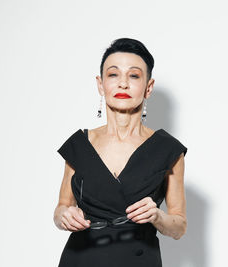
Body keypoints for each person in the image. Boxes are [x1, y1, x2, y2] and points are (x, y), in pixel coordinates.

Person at [53, 37, 188, 267]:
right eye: (113, 74)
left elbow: (179, 226)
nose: (122, 83)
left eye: (134, 75)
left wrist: (157, 216)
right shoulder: (80, 144)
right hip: (81, 258)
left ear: (148, 87)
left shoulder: (168, 149)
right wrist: (65, 216)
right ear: (100, 84)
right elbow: (60, 209)